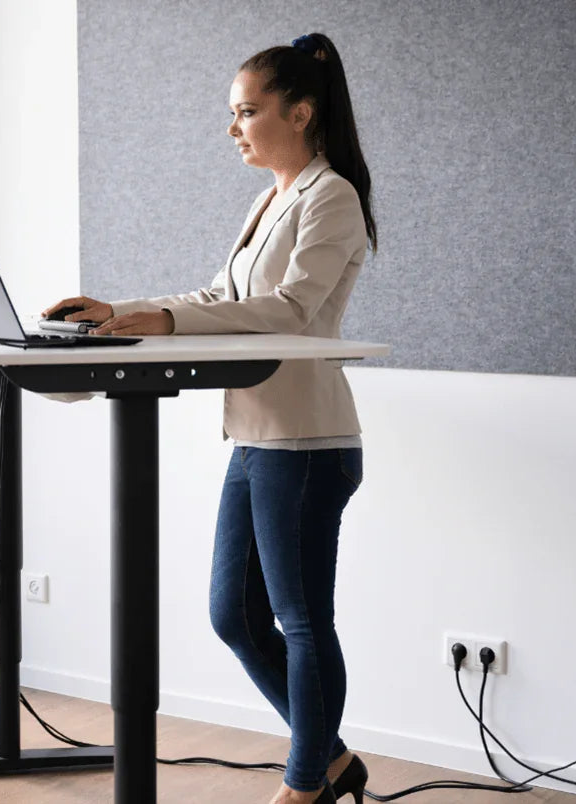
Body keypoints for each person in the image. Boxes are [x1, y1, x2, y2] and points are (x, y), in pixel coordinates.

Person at [42, 32, 377, 804]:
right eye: (232, 114)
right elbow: (220, 297)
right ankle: (328, 759)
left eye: (247, 112)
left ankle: (305, 783)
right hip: (256, 436)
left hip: (306, 439)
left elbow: (290, 310)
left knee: (299, 619)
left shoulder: (332, 196)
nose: (234, 129)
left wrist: (156, 320)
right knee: (234, 615)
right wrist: (120, 313)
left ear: (300, 111)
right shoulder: (270, 198)